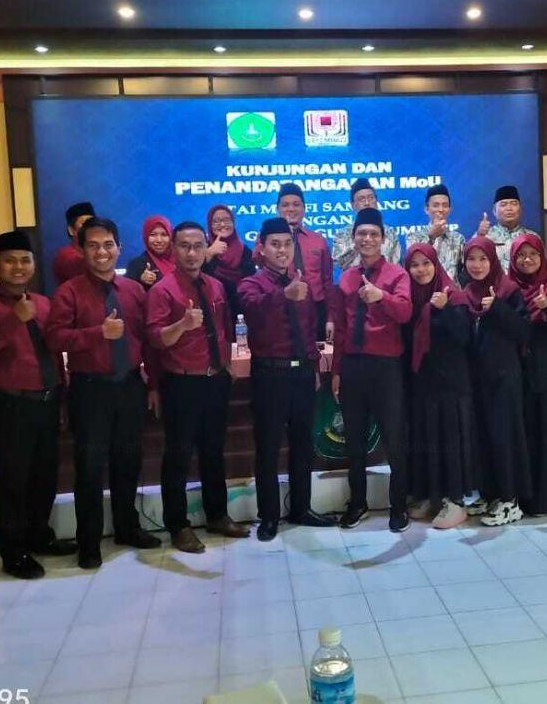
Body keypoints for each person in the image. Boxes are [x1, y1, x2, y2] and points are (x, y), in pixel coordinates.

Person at [44, 217, 161, 569]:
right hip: (90, 390)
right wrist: (97, 333)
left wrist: (152, 384)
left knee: (129, 461)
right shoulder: (68, 292)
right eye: (93, 245)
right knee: (90, 468)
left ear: (119, 248)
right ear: (81, 250)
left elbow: (146, 341)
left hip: (129, 386)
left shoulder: (134, 291)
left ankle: (127, 528)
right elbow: (54, 338)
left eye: (108, 245)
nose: (102, 252)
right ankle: (89, 542)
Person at [0, 231, 75, 580]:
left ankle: (38, 535)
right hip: (11, 404)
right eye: (9, 260)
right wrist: (14, 318)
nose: (18, 267)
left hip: (47, 399)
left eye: (24, 260)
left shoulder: (43, 303)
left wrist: (61, 395)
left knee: (45, 475)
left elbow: (53, 354)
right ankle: (12, 552)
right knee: (13, 479)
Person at [145, 221, 250, 552]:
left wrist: (227, 364)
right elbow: (156, 339)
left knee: (213, 452)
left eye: (197, 246)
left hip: (214, 379)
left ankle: (217, 515)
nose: (192, 253)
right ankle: (178, 525)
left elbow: (224, 328)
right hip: (181, 383)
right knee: (178, 455)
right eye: (185, 246)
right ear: (174, 249)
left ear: (206, 248)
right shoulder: (162, 290)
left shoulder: (215, 286)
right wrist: (182, 324)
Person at [237, 218, 337, 542]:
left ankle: (301, 508)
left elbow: (307, 330)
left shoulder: (301, 281)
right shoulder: (251, 283)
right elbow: (253, 310)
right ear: (262, 248)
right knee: (268, 449)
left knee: (303, 446)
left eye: (287, 244)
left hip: (302, 373)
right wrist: (284, 295)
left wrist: (314, 368)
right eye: (275, 244)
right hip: (270, 374)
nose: (282, 250)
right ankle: (269, 517)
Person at [330, 208, 413, 532]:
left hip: (386, 367)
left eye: (373, 234)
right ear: (354, 238)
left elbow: (405, 312)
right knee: (354, 441)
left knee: (394, 438)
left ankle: (399, 505)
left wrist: (381, 297)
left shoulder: (397, 275)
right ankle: (358, 503)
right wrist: (337, 370)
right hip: (353, 366)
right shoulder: (346, 278)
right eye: (361, 234)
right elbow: (340, 329)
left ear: (383, 239)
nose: (367, 239)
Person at [402, 243, 475, 529]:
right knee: (427, 440)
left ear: (436, 264)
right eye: (414, 264)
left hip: (451, 384)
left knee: (450, 442)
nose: (421, 270)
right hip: (423, 383)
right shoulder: (409, 298)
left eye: (426, 263)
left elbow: (464, 337)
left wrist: (444, 311)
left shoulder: (452, 295)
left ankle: (454, 501)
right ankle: (431, 496)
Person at [463, 235, 531, 526]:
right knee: (484, 437)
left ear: (493, 260)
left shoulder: (508, 289)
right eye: (471, 259)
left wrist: (498, 308)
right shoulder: (466, 293)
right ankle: (491, 493)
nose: (477, 265)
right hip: (478, 378)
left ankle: (510, 500)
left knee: (505, 438)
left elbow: (524, 332)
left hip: (505, 376)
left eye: (483, 259)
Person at [508, 234, 547, 515]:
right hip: (519, 372)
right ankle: (528, 498)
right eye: (521, 255)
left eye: (533, 254)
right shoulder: (507, 289)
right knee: (526, 434)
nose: (527, 260)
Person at [273, 183, 334, 341]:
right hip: (282, 309)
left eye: (296, 204)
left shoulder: (318, 240)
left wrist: (331, 318)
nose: (291, 209)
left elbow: (327, 282)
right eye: (285, 205)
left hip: (316, 310)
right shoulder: (267, 240)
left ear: (304, 209)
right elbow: (259, 262)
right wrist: (283, 233)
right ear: (277, 209)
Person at [332, 178, 402, 269]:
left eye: (371, 198)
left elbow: (396, 265)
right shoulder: (342, 235)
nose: (367, 203)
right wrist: (358, 244)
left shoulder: (390, 233)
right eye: (362, 199)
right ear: (352, 205)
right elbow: (340, 262)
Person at [202, 203, 256, 321]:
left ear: (233, 223)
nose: (222, 224)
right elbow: (196, 279)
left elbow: (251, 284)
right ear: (210, 225)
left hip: (242, 314)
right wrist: (209, 253)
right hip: (213, 313)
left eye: (227, 220)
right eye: (216, 221)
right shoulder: (203, 250)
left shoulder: (245, 252)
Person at [404, 184, 464, 283]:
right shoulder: (413, 237)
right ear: (426, 209)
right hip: (423, 291)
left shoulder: (458, 239)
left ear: (449, 209)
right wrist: (431, 237)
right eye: (436, 205)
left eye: (445, 205)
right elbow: (412, 263)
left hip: (451, 291)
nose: (441, 209)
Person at [475, 185, 537, 270]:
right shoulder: (484, 236)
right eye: (503, 204)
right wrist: (479, 237)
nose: (509, 208)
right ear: (494, 211)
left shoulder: (532, 237)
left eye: (514, 204)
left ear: (520, 210)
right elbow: (471, 263)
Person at [126, 215, 175, 291]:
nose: (159, 240)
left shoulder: (180, 261)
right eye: (153, 235)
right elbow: (127, 292)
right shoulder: (136, 265)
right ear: (146, 237)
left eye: (164, 235)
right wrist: (140, 280)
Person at [52, 201, 96, 286]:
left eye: (93, 223)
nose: (90, 227)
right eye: (85, 223)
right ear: (71, 230)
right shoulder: (66, 256)